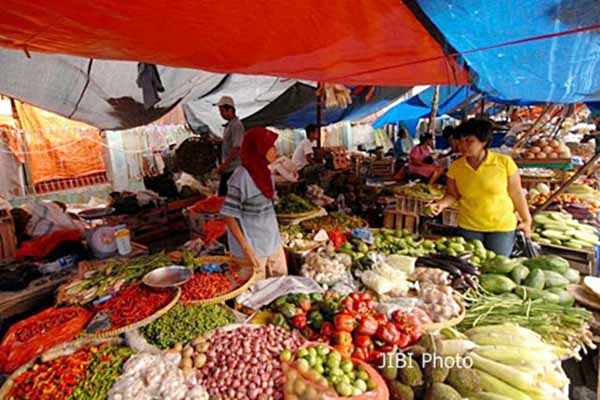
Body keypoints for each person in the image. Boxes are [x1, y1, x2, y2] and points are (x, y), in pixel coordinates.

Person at [430, 119, 532, 256]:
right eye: (461, 141)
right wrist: (440, 205)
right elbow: (453, 195)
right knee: (471, 268)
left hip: (501, 228)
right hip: (469, 227)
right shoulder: (456, 166)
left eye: (469, 141)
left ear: (483, 142)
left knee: (496, 267)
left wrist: (527, 220)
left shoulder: (504, 162)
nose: (462, 145)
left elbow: (516, 192)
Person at [221, 127, 287, 279]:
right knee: (255, 296)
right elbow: (228, 216)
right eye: (270, 146)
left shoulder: (266, 173)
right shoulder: (240, 178)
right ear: (259, 149)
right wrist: (247, 249)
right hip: (252, 249)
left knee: (281, 287)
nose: (275, 150)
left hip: (272, 242)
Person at [215, 96, 245, 196]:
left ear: (230, 109)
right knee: (223, 197)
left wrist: (224, 165)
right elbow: (229, 142)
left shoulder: (237, 125)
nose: (220, 114)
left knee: (226, 198)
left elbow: (236, 148)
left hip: (233, 169)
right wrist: (218, 141)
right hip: (228, 169)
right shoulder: (229, 125)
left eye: (222, 111)